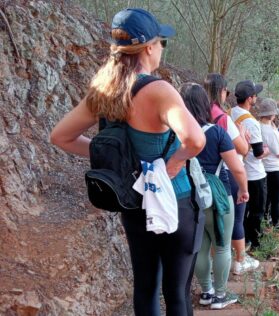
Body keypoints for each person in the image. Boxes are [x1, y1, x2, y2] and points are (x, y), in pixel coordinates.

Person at [49, 8, 206, 316]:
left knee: (145, 287)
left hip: (134, 203)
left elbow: (61, 137)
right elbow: (195, 141)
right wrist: (173, 164)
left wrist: (115, 160)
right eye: (162, 42)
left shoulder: (104, 89)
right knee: (176, 293)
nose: (161, 49)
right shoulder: (159, 90)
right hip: (176, 202)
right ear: (148, 47)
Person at [180, 83, 249, 310]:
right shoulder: (217, 132)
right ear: (204, 104)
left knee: (201, 247)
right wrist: (244, 189)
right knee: (221, 246)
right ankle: (220, 295)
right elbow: (237, 168)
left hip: (190, 196)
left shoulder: (177, 132)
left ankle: (206, 292)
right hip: (218, 195)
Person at [203, 73, 259, 275]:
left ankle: (210, 264)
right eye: (226, 91)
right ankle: (240, 261)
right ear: (221, 91)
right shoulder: (222, 118)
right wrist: (243, 135)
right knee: (235, 220)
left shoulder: (197, 113)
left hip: (202, 176)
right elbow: (243, 149)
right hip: (226, 174)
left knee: (209, 224)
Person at [229, 80, 268, 250]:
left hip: (235, 171)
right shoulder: (252, 122)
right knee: (257, 210)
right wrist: (268, 150)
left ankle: (241, 240)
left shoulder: (229, 114)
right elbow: (259, 153)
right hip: (254, 173)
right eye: (255, 95)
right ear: (250, 98)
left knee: (241, 212)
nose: (256, 98)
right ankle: (254, 242)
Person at [257, 98, 279, 233]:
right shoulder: (271, 132)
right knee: (276, 199)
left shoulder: (258, 126)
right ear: (271, 114)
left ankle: (265, 224)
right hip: (276, 169)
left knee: (267, 198)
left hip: (264, 168)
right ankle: (276, 226)